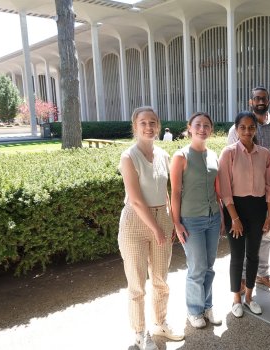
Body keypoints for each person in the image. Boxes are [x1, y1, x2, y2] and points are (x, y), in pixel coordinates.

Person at [118, 106, 184, 350]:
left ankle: (160, 323)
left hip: (161, 217)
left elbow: (165, 192)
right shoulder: (128, 157)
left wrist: (169, 221)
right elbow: (135, 199)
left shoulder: (163, 155)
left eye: (153, 122)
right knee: (136, 284)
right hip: (135, 222)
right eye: (143, 122)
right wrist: (157, 229)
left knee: (160, 280)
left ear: (159, 125)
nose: (149, 127)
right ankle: (139, 332)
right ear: (135, 126)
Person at [227, 86, 270, 291]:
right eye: (256, 98)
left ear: (269, 101)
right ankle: (242, 278)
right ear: (250, 102)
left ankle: (262, 274)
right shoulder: (238, 128)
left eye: (264, 98)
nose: (260, 101)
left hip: (266, 191)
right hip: (242, 193)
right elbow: (232, 161)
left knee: (265, 234)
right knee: (242, 236)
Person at [169, 112, 223, 329]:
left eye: (206, 125)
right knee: (197, 267)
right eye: (198, 125)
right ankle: (194, 310)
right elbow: (175, 192)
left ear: (211, 129)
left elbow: (217, 190)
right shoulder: (181, 156)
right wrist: (176, 222)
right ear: (189, 128)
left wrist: (222, 217)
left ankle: (207, 306)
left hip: (213, 218)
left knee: (209, 266)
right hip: (191, 220)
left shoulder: (213, 155)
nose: (202, 129)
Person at [218, 111, 270, 318]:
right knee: (237, 255)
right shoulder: (229, 153)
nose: (247, 131)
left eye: (251, 127)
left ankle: (249, 297)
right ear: (236, 129)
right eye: (242, 127)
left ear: (256, 129)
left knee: (253, 255)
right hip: (235, 208)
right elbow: (225, 190)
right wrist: (234, 218)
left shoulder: (265, 154)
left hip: (258, 208)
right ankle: (236, 299)